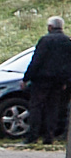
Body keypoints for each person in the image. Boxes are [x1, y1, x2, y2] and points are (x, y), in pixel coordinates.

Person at [26, 16, 71, 144]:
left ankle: (33, 136)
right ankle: (49, 137)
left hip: (42, 80)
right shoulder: (67, 41)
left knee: (36, 107)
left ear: (50, 27)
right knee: (53, 108)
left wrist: (27, 77)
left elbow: (37, 60)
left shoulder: (45, 40)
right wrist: (65, 81)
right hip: (58, 81)